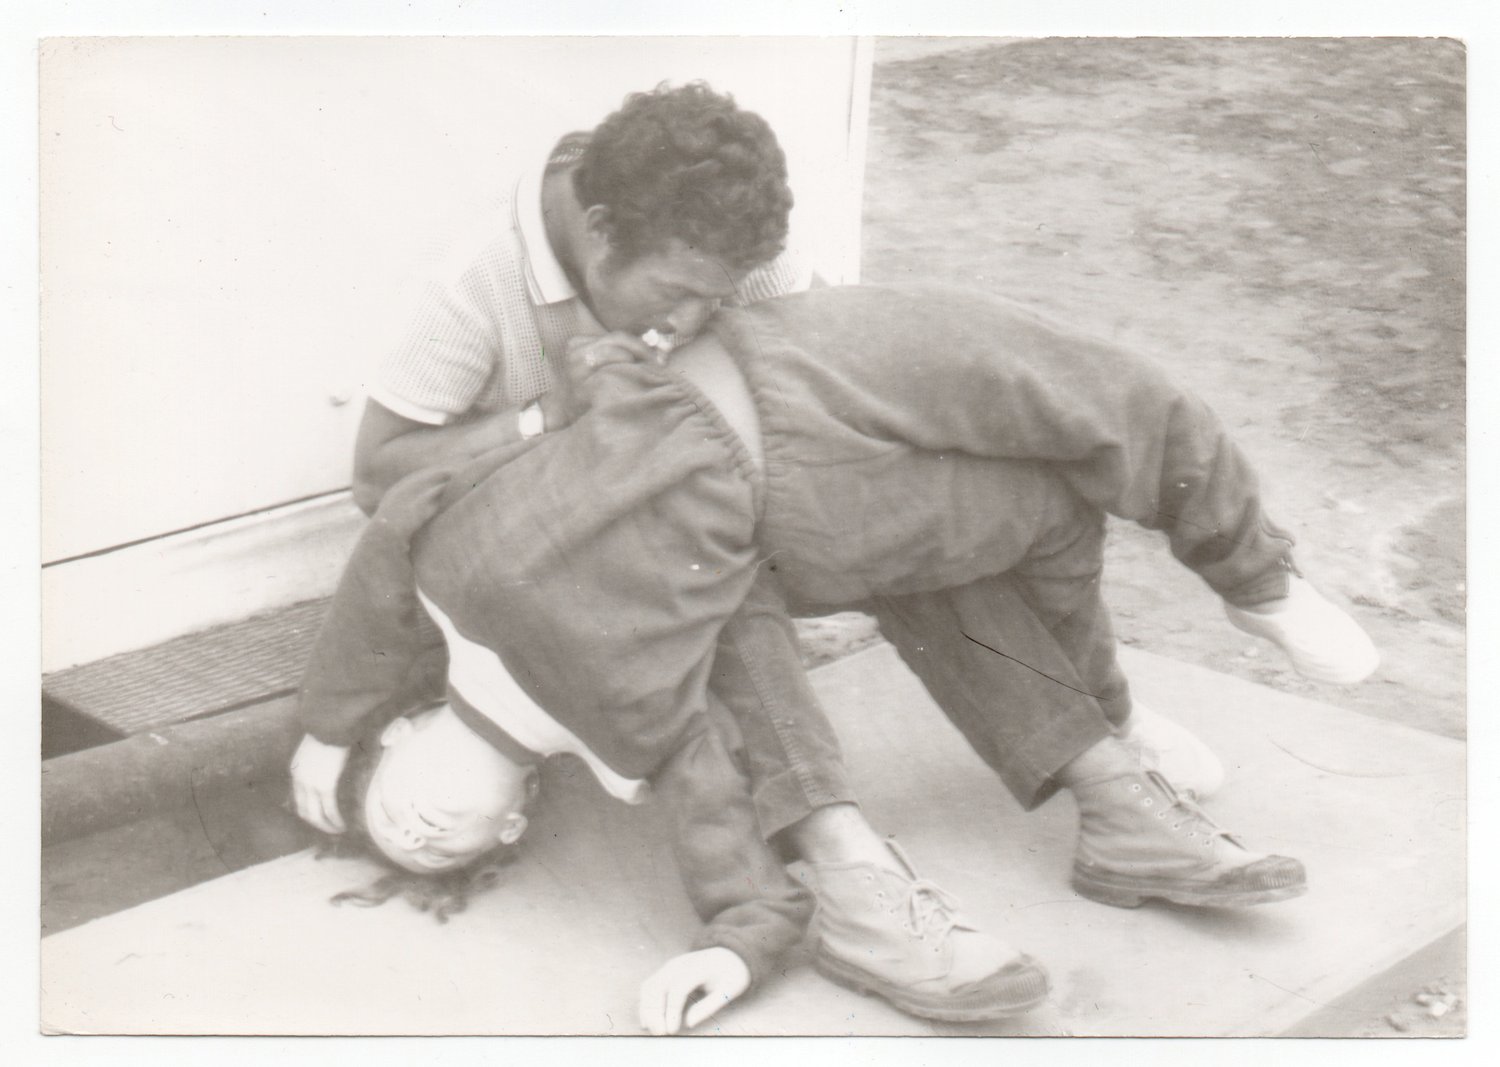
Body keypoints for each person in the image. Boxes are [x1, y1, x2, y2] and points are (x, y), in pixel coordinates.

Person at [299, 78, 1211, 1022]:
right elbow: (383, 474)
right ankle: (852, 874)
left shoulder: (721, 254)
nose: (695, 319)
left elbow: (816, 380)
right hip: (620, 549)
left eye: (717, 299)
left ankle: (1103, 766)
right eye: (678, 295)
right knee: (716, 601)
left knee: (894, 521)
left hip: (739, 493)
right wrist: (546, 415)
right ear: (602, 229)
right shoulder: (479, 280)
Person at [294, 282, 1378, 1033]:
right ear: (519, 820)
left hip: (741, 428)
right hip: (743, 555)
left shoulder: (440, 578)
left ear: (399, 728)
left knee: (1039, 484)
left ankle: (1116, 781)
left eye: (387, 808)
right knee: (721, 634)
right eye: (439, 852)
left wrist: (323, 724)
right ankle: (876, 883)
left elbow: (387, 535)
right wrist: (736, 943)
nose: (419, 831)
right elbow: (715, 814)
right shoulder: (630, 740)